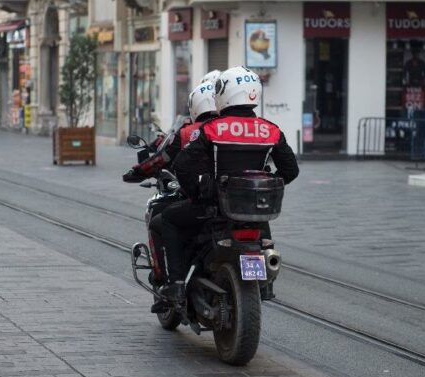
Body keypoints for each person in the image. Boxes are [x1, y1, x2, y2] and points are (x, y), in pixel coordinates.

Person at [157, 66, 299, 304]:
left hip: (214, 208)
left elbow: (182, 165)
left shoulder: (212, 129)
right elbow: (290, 171)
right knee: (263, 233)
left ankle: (177, 284)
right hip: (253, 211)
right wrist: (264, 185)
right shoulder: (271, 130)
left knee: (166, 221)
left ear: (225, 93)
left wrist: (198, 193)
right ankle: (265, 285)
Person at [122, 70, 220, 182]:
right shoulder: (233, 125)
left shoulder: (187, 132)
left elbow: (164, 157)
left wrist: (138, 171)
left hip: (196, 191)